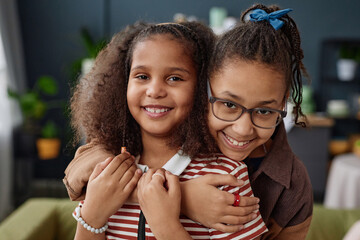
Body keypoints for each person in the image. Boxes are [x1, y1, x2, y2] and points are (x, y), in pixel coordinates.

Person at [69, 20, 266, 240]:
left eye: (174, 78)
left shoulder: (225, 177)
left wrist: (166, 226)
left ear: (203, 88)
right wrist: (93, 216)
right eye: (142, 76)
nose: (154, 91)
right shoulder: (109, 172)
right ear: (123, 84)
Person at [137, 4, 313, 239]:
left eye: (263, 111)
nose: (242, 129)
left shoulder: (292, 182)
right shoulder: (167, 127)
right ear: (205, 91)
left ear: (283, 104)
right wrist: (184, 197)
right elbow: (82, 178)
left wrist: (167, 223)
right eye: (229, 105)